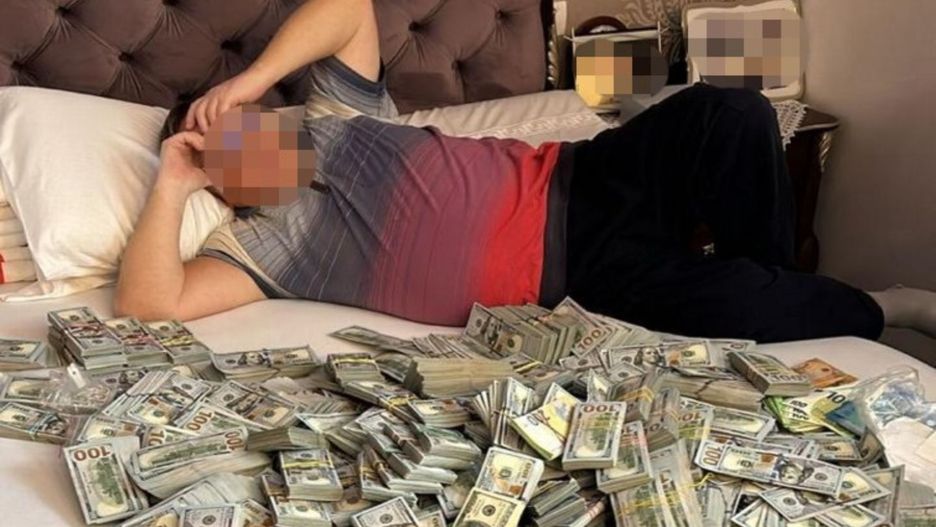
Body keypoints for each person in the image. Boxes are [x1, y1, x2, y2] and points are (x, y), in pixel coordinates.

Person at [115, 0, 936, 344]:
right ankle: (887, 304)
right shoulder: (258, 253)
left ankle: (782, 282)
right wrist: (172, 182)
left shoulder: (333, 116)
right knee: (735, 307)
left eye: (236, 119)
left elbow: (350, 8)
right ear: (209, 177)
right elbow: (150, 304)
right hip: (574, 276)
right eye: (210, 146)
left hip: (588, 175)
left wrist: (251, 80)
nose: (236, 136)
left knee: (735, 111)